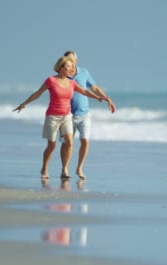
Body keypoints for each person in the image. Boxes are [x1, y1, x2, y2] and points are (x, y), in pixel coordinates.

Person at [13, 55, 108, 179]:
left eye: (71, 66)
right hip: (52, 117)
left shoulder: (71, 82)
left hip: (67, 117)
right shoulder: (51, 81)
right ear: (61, 67)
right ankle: (44, 169)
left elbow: (84, 91)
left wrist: (97, 97)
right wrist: (23, 104)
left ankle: (64, 170)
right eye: (68, 66)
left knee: (69, 142)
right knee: (51, 145)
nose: (71, 68)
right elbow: (37, 93)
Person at [61, 50, 116, 179]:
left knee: (85, 141)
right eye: (67, 60)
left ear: (76, 61)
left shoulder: (84, 72)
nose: (70, 62)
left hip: (84, 114)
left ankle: (79, 168)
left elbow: (95, 88)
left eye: (72, 60)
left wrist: (107, 98)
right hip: (67, 115)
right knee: (66, 143)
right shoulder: (62, 75)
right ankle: (64, 169)